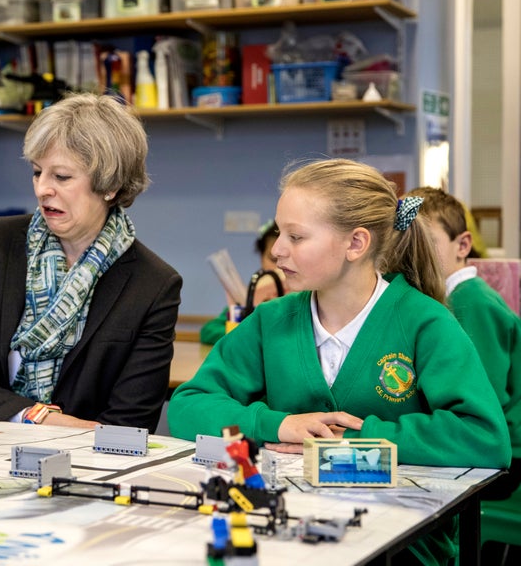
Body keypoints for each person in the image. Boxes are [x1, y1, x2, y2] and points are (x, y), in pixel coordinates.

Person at [167, 158, 509, 565]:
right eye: (279, 232)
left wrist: (359, 440)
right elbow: (188, 405)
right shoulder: (272, 321)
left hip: (403, 543)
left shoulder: (426, 323)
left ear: (356, 244)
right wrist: (278, 424)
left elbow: (486, 438)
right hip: (287, 531)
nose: (276, 250)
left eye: (296, 236)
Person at [0, 93, 182, 432]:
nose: (42, 189)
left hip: (85, 468)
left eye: (62, 177)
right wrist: (39, 416)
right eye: (38, 172)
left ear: (109, 185)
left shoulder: (154, 285)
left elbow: (130, 424)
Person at [407, 186, 521, 500]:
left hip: (505, 452)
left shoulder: (472, 301)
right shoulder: (442, 299)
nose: (415, 254)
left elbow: (484, 398)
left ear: (463, 245)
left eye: (428, 242)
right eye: (407, 243)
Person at [201, 220, 284, 345]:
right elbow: (208, 331)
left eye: (285, 258)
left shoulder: (304, 296)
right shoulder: (251, 297)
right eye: (273, 259)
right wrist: (244, 333)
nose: (279, 267)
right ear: (261, 258)